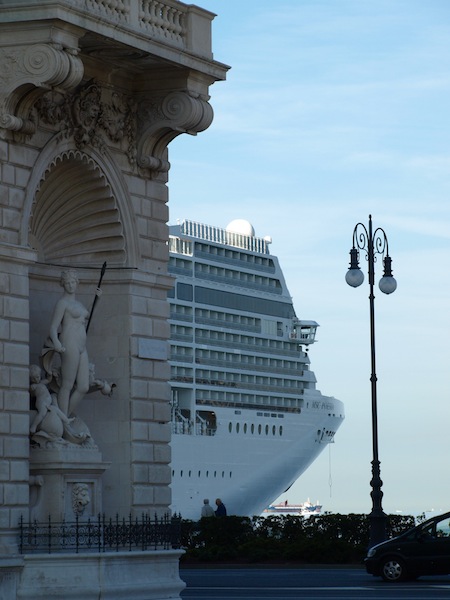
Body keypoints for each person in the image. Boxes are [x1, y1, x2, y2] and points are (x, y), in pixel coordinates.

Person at [47, 269, 100, 417]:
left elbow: (87, 316)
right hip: (69, 343)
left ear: (77, 283)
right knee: (67, 384)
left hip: (81, 346)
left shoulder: (79, 305)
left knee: (83, 386)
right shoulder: (62, 303)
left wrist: (97, 299)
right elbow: (53, 326)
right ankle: (63, 423)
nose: (70, 286)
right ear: (63, 285)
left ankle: (65, 417)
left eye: (72, 282)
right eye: (67, 283)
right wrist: (56, 342)